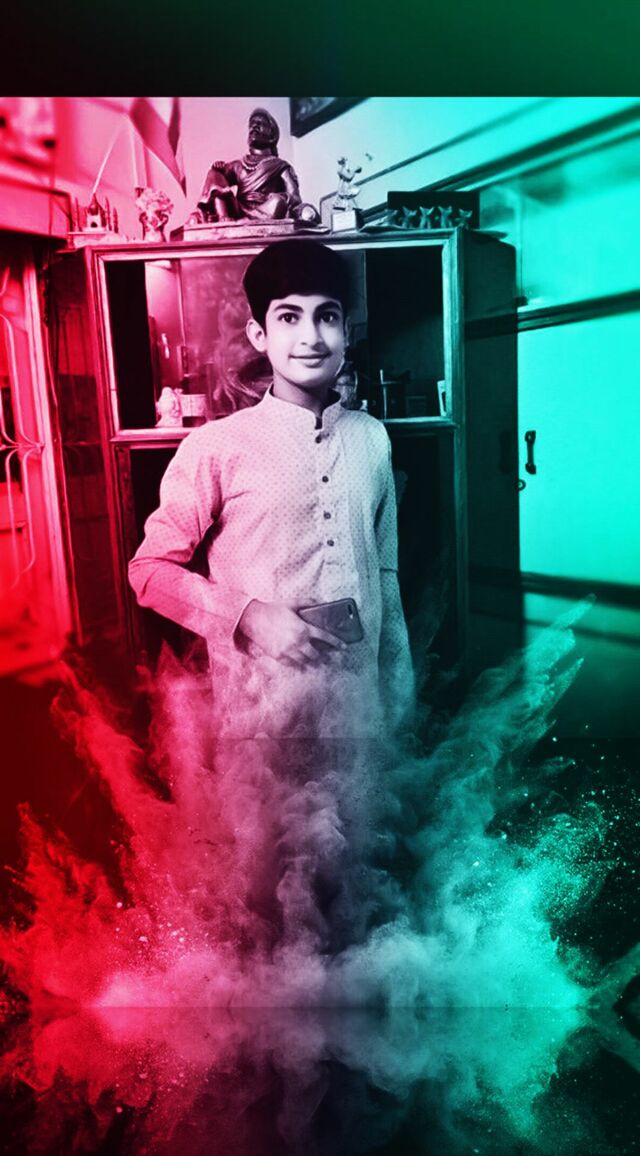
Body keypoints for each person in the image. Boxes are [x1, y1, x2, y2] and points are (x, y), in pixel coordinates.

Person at [128, 240, 414, 743]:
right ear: (259, 334)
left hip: (360, 717)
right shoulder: (216, 447)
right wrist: (248, 616)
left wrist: (400, 699)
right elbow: (148, 573)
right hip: (261, 722)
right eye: (288, 317)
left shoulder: (372, 439)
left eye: (327, 317)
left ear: (346, 332)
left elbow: (385, 577)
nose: (311, 337)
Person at [192, 108, 319, 225]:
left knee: (278, 202)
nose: (254, 126)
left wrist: (284, 198)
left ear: (272, 134)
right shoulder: (238, 165)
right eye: (252, 124)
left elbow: (295, 198)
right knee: (214, 173)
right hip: (238, 211)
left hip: (268, 210)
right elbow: (217, 181)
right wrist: (218, 169)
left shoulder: (280, 166)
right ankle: (223, 217)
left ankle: (244, 223)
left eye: (260, 123)